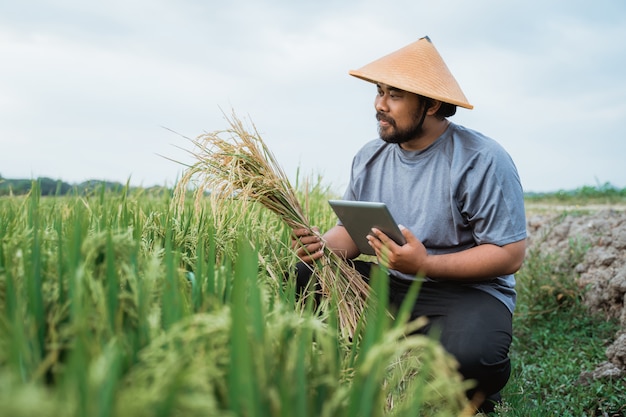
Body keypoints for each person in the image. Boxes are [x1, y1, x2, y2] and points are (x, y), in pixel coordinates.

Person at [292, 36, 527, 413]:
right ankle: (379, 356)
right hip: (394, 284)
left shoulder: (481, 159)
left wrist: (426, 265)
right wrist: (322, 245)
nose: (379, 105)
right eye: (379, 92)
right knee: (307, 272)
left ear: (432, 104)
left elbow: (510, 254)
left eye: (395, 95)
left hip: (465, 292)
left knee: (472, 359)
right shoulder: (370, 156)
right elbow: (352, 233)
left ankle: (463, 373)